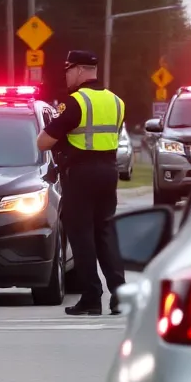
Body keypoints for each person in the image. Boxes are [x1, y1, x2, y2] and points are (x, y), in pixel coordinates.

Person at [35, 50, 126, 316]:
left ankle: (91, 297)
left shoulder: (75, 102)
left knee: (81, 234)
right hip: (108, 172)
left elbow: (43, 141)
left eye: (68, 71)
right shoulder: (117, 101)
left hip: (80, 174)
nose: (66, 76)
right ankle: (120, 296)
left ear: (78, 70)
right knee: (105, 232)